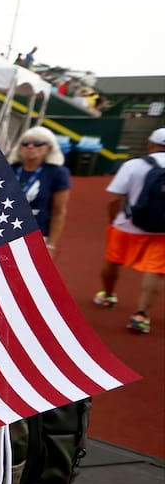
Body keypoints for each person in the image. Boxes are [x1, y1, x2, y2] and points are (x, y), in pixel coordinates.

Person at [94, 127, 165, 334]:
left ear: (150, 144)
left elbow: (115, 197)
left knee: (113, 260)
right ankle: (141, 315)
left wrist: (113, 219)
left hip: (127, 224)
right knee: (156, 270)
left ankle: (107, 296)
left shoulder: (133, 164)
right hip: (162, 229)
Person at [8, 126, 71, 258]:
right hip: (5, 234)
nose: (30, 147)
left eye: (37, 143)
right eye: (25, 143)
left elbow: (59, 212)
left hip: (38, 235)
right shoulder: (8, 169)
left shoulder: (57, 173)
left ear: (48, 148)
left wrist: (51, 245)